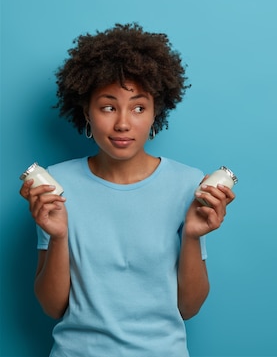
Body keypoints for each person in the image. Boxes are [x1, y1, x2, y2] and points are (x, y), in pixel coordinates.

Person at [18, 23, 235, 356]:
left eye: (138, 107)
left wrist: (192, 236)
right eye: (108, 107)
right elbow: (53, 307)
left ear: (155, 113)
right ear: (86, 113)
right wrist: (59, 236)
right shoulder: (56, 186)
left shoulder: (188, 184)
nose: (122, 123)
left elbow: (188, 308)